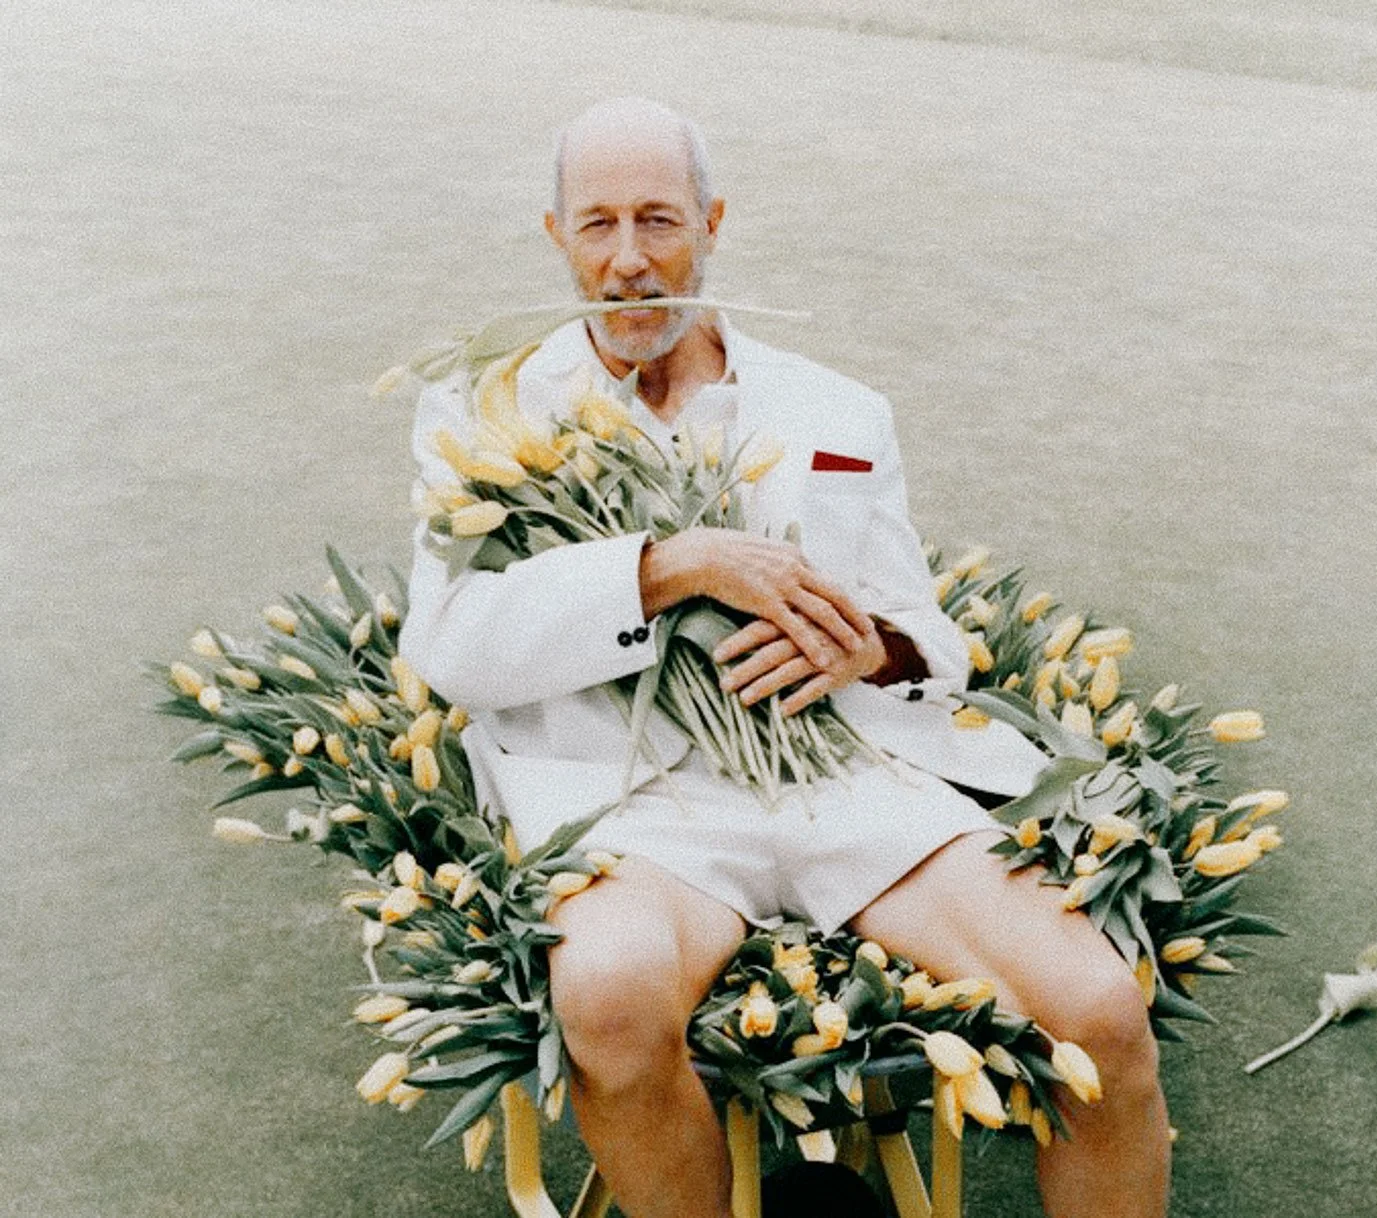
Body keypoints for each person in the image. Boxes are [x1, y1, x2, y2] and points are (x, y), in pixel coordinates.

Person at [400, 97, 1170, 1218]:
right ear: (557, 235)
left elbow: (922, 632)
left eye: (659, 221)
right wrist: (667, 567)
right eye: (598, 224)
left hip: (842, 777)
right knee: (609, 1002)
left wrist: (873, 651)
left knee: (1099, 1014)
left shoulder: (838, 409)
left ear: (710, 225)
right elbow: (452, 644)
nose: (629, 260)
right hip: (634, 803)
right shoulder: (485, 410)